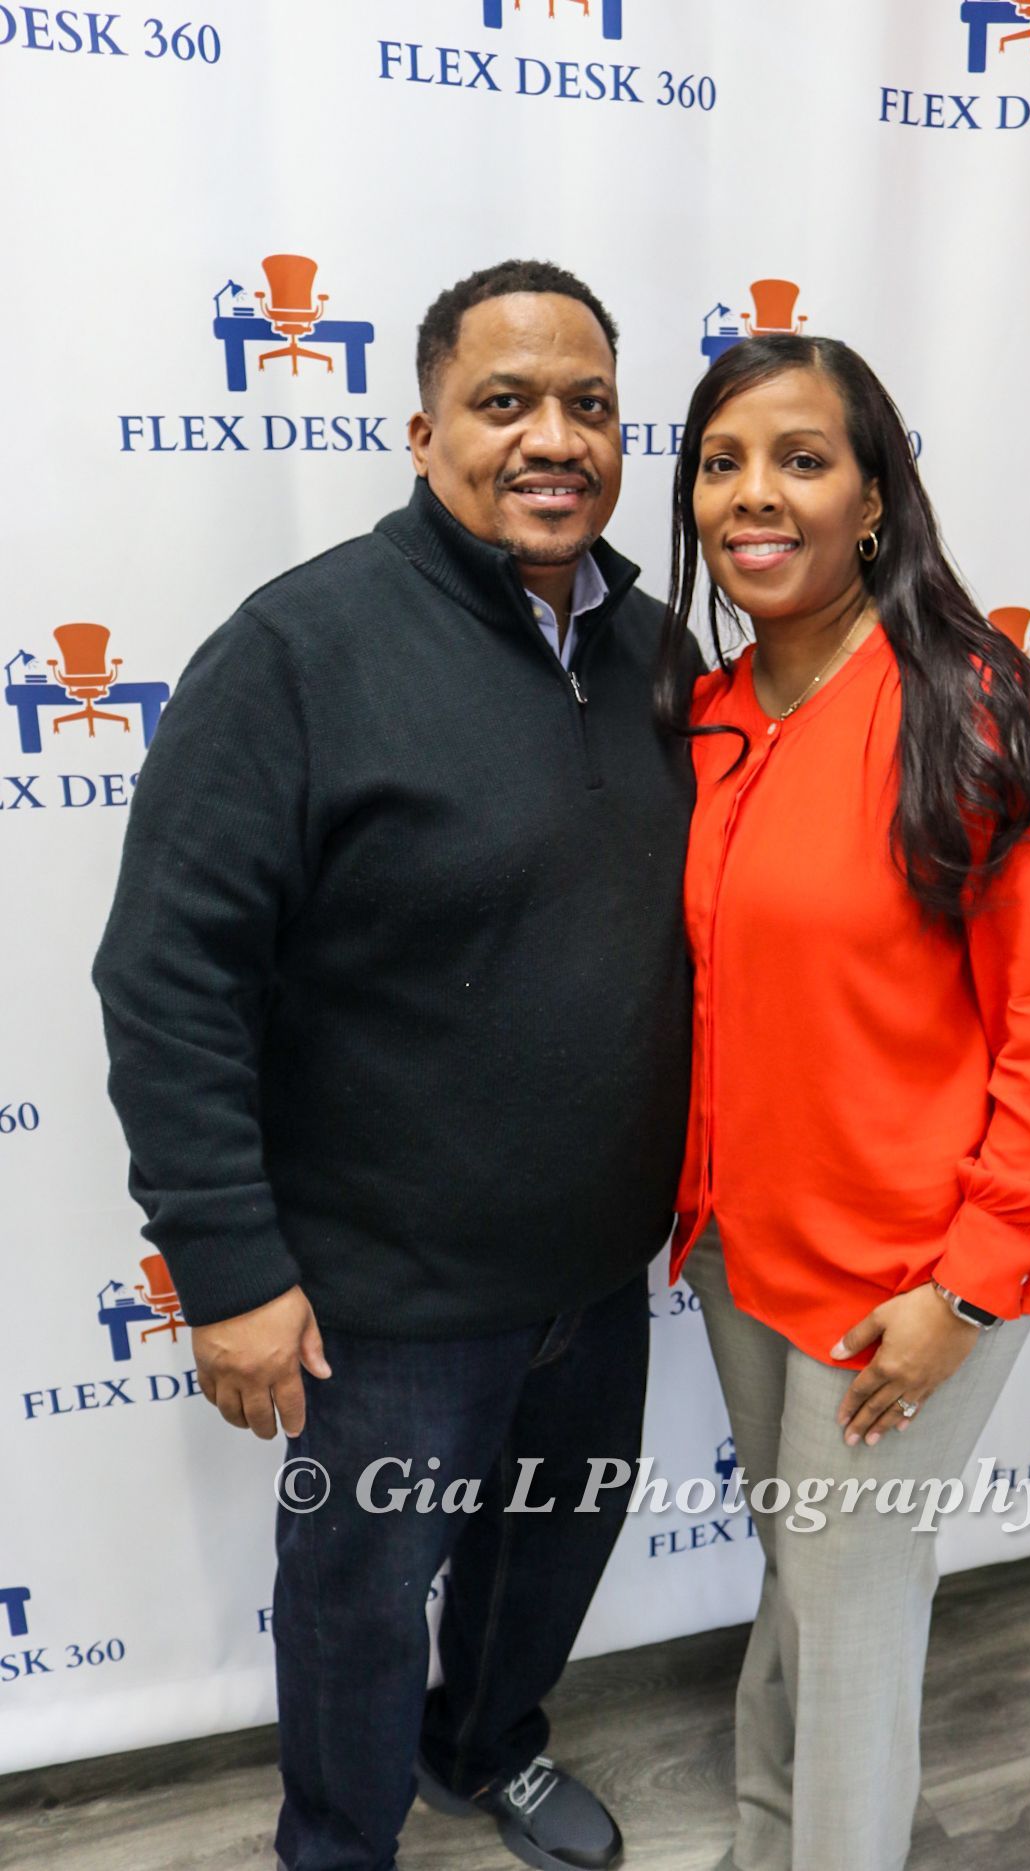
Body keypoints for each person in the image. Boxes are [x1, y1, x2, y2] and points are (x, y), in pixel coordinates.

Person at [93, 259, 700, 1871]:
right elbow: (167, 981)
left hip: (592, 1271)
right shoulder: (299, 652)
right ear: (424, 427)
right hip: (384, 1297)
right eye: (506, 404)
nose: (552, 438)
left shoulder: (657, 653)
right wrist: (227, 1268)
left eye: (587, 404)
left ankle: (483, 1747)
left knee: (542, 1565)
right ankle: (338, 1850)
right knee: (359, 1602)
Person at [653, 334, 1030, 1871]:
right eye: (725, 460)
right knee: (807, 1577)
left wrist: (970, 1286)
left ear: (875, 497)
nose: (758, 494)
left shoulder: (978, 710)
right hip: (745, 1246)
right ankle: (771, 1841)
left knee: (854, 1610)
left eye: (802, 458)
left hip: (920, 1276)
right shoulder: (716, 710)